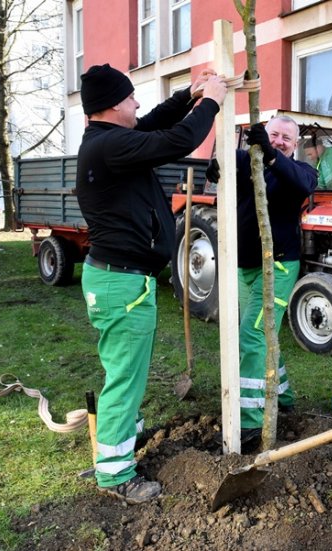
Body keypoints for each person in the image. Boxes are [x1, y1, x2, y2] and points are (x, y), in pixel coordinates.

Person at [75, 63, 227, 504]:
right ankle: (117, 474)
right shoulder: (109, 147)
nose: (137, 103)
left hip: (115, 282)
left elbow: (151, 124)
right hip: (121, 287)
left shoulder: (108, 142)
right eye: (129, 98)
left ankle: (118, 443)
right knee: (124, 378)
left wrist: (188, 96)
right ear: (110, 106)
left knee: (123, 374)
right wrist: (213, 100)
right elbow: (177, 139)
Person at [209, 115, 317, 452]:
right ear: (262, 134)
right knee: (264, 332)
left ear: (295, 144)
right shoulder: (245, 160)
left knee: (252, 335)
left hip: (279, 266)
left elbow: (303, 185)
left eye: (287, 137)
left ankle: (251, 423)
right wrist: (215, 169)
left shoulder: (300, 171)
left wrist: (271, 153)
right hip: (245, 267)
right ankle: (283, 395)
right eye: (274, 134)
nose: (280, 140)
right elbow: (221, 164)